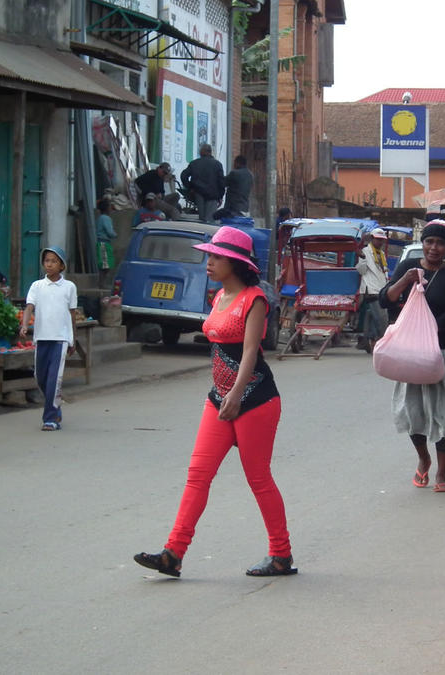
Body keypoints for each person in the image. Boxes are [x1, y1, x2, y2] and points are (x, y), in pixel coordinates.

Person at [134, 226, 295, 578]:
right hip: (219, 400)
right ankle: (172, 554)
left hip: (255, 400)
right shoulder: (217, 298)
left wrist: (236, 396)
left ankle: (281, 555)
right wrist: (226, 397)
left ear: (235, 262)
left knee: (258, 478)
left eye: (216, 257)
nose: (208, 262)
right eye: (209, 255)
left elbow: (252, 350)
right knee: (198, 475)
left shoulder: (254, 299)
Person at [379, 219, 445, 493]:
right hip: (411, 353)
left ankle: (442, 473)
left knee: (444, 412)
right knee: (413, 411)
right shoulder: (409, 267)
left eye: (440, 243)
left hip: (444, 350)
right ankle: (424, 458)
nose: (434, 248)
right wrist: (406, 280)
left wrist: (429, 331)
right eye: (430, 242)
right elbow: (386, 298)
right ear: (423, 244)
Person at [19, 246, 78, 431]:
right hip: (41, 337)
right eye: (47, 261)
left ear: (62, 265)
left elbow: (72, 314)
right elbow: (29, 307)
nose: (49, 264)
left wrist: (72, 339)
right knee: (40, 377)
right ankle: (56, 404)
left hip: (60, 339)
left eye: (53, 261)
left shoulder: (69, 287)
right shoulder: (37, 286)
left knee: (54, 378)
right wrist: (24, 324)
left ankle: (50, 418)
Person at [355, 228, 390, 353]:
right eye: (378, 239)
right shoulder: (365, 252)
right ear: (372, 239)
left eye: (382, 240)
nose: (380, 242)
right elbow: (361, 271)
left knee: (376, 317)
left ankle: (368, 340)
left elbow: (384, 272)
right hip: (371, 289)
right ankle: (381, 342)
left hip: (382, 289)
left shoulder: (381, 254)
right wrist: (363, 258)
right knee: (382, 319)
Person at [180, 143, 225, 223]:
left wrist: (190, 187)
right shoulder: (217, 164)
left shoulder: (194, 163)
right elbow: (221, 182)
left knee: (202, 219)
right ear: (210, 152)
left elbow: (183, 176)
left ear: (202, 152)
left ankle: (201, 233)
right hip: (213, 195)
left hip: (198, 193)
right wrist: (221, 196)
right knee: (210, 220)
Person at [96, 198, 117, 288]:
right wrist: (115, 234)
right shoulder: (106, 218)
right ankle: (102, 284)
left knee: (104, 265)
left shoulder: (101, 218)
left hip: (103, 243)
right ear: (106, 208)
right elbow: (109, 231)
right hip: (104, 243)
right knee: (105, 265)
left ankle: (102, 283)